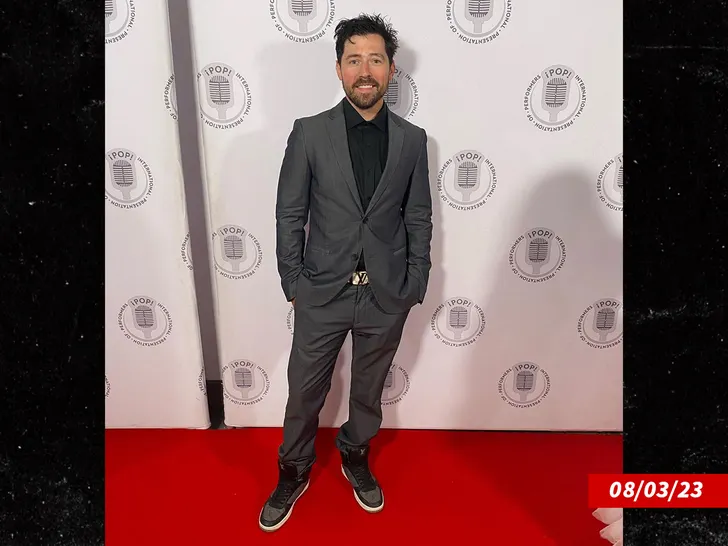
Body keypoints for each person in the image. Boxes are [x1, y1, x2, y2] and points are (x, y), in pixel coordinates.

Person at [258, 13, 433, 532]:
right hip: (322, 292)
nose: (365, 70)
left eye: (375, 59)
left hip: (386, 293)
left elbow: (418, 215)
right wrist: (293, 282)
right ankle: (293, 469)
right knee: (304, 391)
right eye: (354, 59)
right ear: (338, 69)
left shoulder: (412, 140)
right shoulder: (309, 133)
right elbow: (290, 212)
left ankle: (355, 452)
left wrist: (415, 280)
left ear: (391, 69)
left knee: (369, 389)